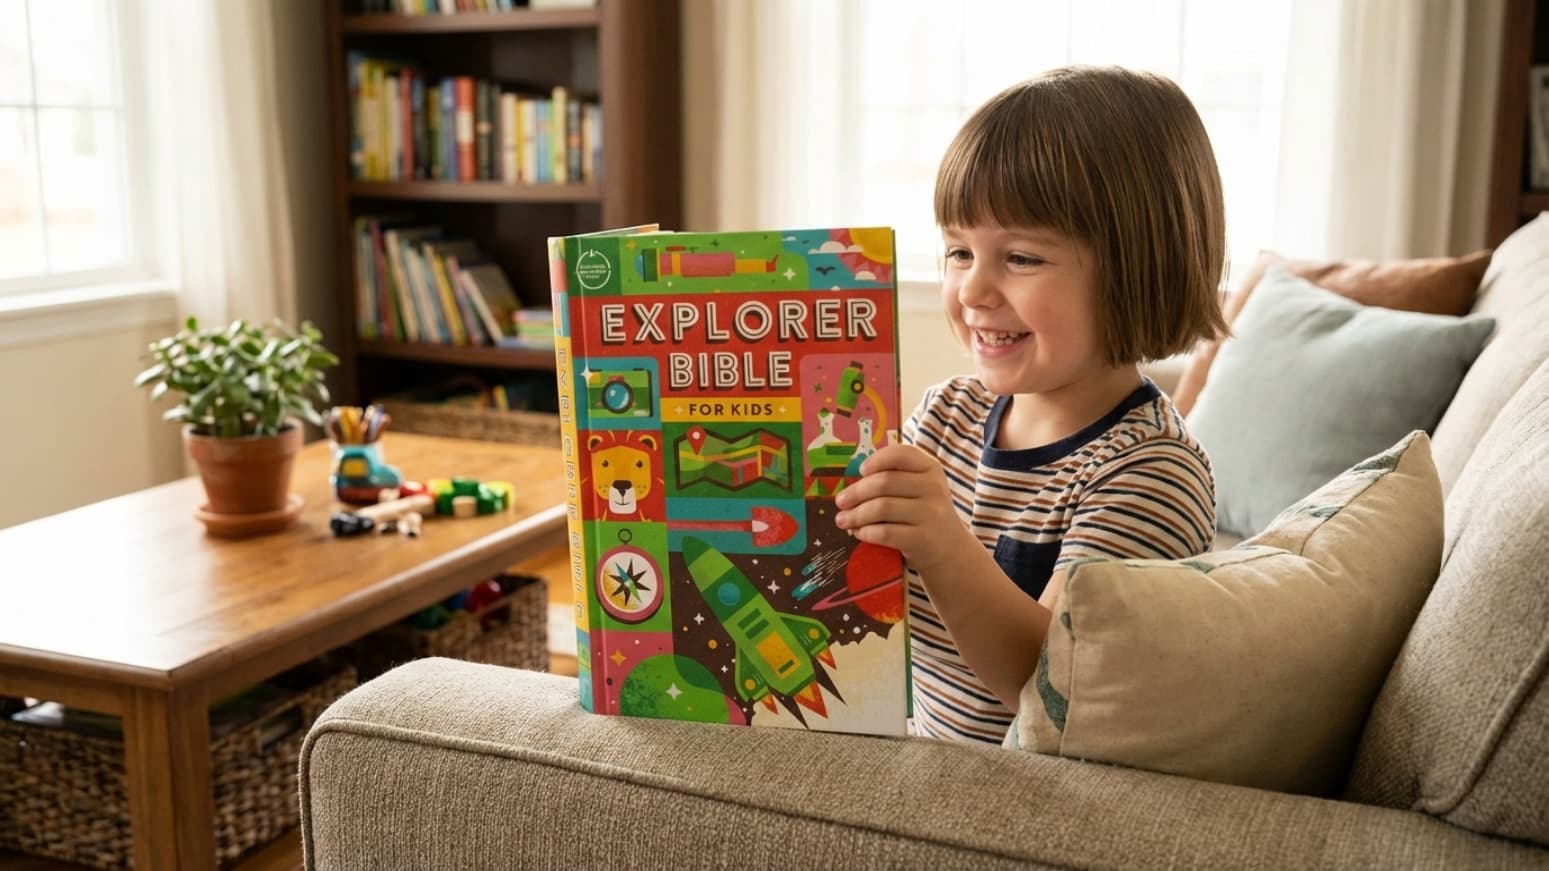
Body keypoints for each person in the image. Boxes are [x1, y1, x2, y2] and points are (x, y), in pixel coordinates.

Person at [833, 66, 1228, 744]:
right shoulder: (944, 415)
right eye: (959, 250)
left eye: (1019, 257)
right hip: (919, 753)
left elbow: (1051, 686)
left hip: (1022, 803)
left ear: (1137, 266)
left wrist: (940, 543)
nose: (973, 289)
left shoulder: (1150, 472)